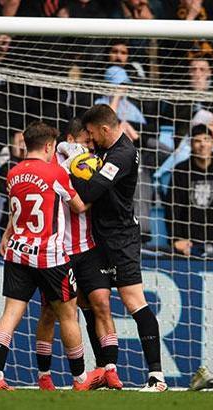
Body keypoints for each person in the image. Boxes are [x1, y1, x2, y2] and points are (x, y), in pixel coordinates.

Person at [0, 121, 103, 391]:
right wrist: (98, 189)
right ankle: (80, 379)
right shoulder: (55, 173)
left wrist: (7, 234)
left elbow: (19, 213)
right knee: (68, 315)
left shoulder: (12, 173)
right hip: (50, 256)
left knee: (10, 314)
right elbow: (79, 207)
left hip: (17, 251)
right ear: (50, 146)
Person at [70, 104, 167, 392]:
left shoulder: (123, 154)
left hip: (121, 238)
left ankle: (156, 377)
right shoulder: (102, 150)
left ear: (105, 129)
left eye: (91, 134)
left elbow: (89, 192)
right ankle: (104, 369)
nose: (89, 140)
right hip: (96, 238)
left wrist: (71, 169)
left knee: (133, 301)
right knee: (91, 301)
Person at [32, 119, 122, 390]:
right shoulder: (51, 167)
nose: (89, 147)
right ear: (70, 140)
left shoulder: (92, 163)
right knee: (50, 312)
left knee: (102, 304)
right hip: (59, 252)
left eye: (91, 143)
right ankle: (45, 376)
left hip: (89, 248)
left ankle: (110, 370)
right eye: (85, 142)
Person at [167, 125, 213, 256]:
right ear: (191, 144)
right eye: (197, 141)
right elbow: (172, 209)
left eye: (206, 139)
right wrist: (176, 238)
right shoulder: (181, 170)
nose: (202, 145)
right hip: (187, 244)